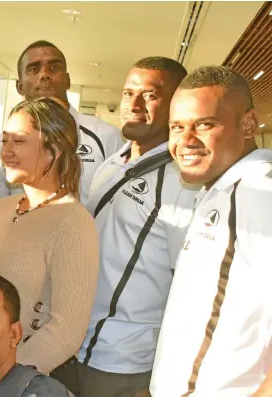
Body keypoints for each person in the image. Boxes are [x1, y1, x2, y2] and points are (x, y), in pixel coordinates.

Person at [50, 56, 197, 397]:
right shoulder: (111, 164)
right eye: (128, 92)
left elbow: (187, 288)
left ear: (177, 105)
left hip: (126, 362)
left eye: (150, 95)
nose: (134, 103)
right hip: (75, 344)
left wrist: (164, 377)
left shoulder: (180, 181)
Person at [150, 66, 272, 396]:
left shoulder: (260, 193)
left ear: (248, 124)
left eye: (204, 124)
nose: (185, 141)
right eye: (177, 127)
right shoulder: (220, 190)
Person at [0, 98, 99, 374]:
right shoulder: (3, 208)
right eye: (4, 141)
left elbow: (66, 333)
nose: (6, 152)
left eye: (19, 141)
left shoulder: (73, 222)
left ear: (55, 149)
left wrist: (2, 376)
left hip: (15, 380)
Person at [0, 40, 123, 201]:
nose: (44, 74)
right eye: (34, 69)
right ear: (20, 86)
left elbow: (118, 203)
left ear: (67, 80)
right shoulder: (0, 147)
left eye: (54, 67)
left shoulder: (106, 136)